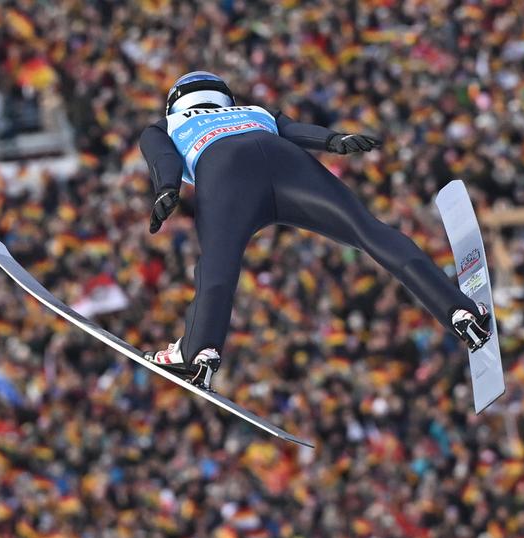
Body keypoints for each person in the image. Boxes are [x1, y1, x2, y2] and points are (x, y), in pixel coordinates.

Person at [137, 71, 493, 389]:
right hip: (286, 161)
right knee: (367, 230)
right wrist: (335, 139)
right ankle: (459, 312)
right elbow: (295, 130)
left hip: (225, 173)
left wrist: (167, 190)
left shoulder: (165, 126)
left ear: (175, 102)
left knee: (218, 266)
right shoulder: (255, 110)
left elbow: (164, 159)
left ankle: (199, 351)